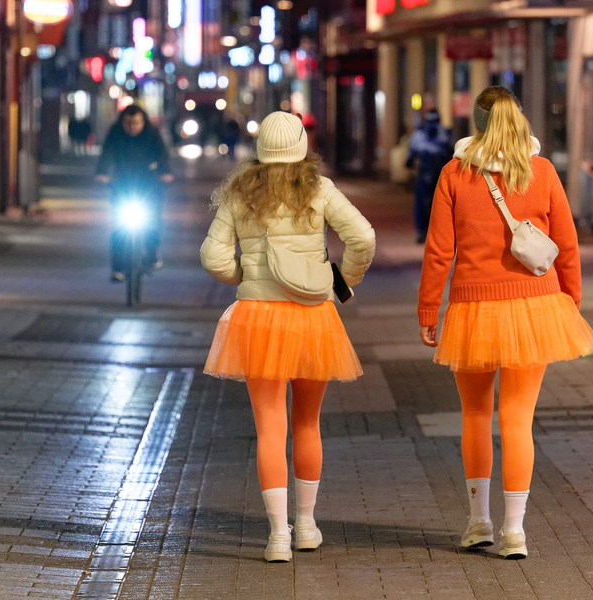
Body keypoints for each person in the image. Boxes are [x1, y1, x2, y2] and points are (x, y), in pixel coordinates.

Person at [417, 87, 593, 559]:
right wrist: (570, 301)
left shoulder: (454, 174)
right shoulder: (540, 172)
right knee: (518, 419)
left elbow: (440, 251)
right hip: (535, 308)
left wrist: (427, 310)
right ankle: (514, 532)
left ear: (476, 124)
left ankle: (478, 522)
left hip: (473, 310)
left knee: (475, 415)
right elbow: (567, 242)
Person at [200, 111, 375, 563]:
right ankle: (308, 524)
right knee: (307, 424)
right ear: (301, 147)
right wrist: (342, 279)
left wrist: (246, 275)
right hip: (312, 316)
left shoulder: (240, 192)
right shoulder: (319, 189)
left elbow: (212, 255)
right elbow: (363, 236)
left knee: (269, 429)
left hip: (258, 318)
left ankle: (278, 534)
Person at [95, 105, 173, 281]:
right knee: (118, 226)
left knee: (153, 220)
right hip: (121, 185)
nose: (132, 127)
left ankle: (152, 254)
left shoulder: (152, 135)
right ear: (122, 123)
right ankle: (118, 268)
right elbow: (106, 154)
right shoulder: (115, 134)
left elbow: (163, 156)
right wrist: (102, 173)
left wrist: (166, 174)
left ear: (143, 122)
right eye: (128, 123)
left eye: (136, 123)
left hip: (149, 185)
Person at [406, 109, 453, 243]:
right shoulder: (443, 133)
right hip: (434, 174)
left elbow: (410, 158)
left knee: (428, 203)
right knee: (435, 204)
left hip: (433, 174)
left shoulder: (420, 134)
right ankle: (427, 232)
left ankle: (424, 231)